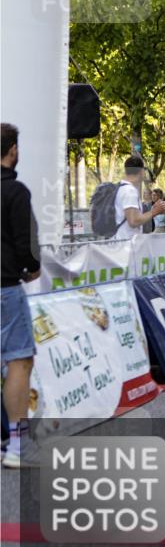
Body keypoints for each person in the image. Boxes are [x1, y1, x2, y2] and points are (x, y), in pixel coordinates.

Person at [1, 124, 41, 468]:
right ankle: (17, 445)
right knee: (19, 360)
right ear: (12, 150)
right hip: (5, 287)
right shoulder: (15, 191)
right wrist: (31, 267)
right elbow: (26, 244)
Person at [113, 156, 165, 240]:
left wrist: (152, 210)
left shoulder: (121, 187)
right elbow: (133, 221)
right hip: (127, 245)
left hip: (121, 242)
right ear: (141, 171)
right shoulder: (129, 191)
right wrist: (154, 212)